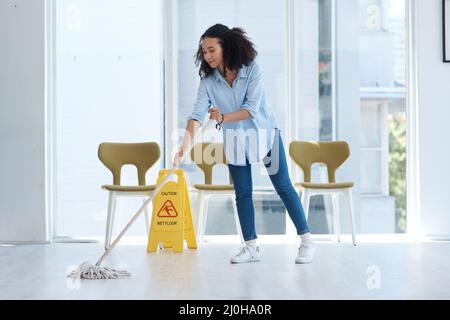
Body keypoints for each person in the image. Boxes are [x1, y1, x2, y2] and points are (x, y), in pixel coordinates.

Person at [173, 23, 314, 264]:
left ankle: (307, 242)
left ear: (225, 46)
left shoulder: (251, 69)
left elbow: (251, 109)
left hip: (265, 134)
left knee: (284, 187)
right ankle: (250, 247)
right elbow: (196, 115)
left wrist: (222, 117)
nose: (207, 56)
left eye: (211, 50)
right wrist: (183, 147)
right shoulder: (209, 81)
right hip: (236, 139)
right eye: (204, 52)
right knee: (243, 193)